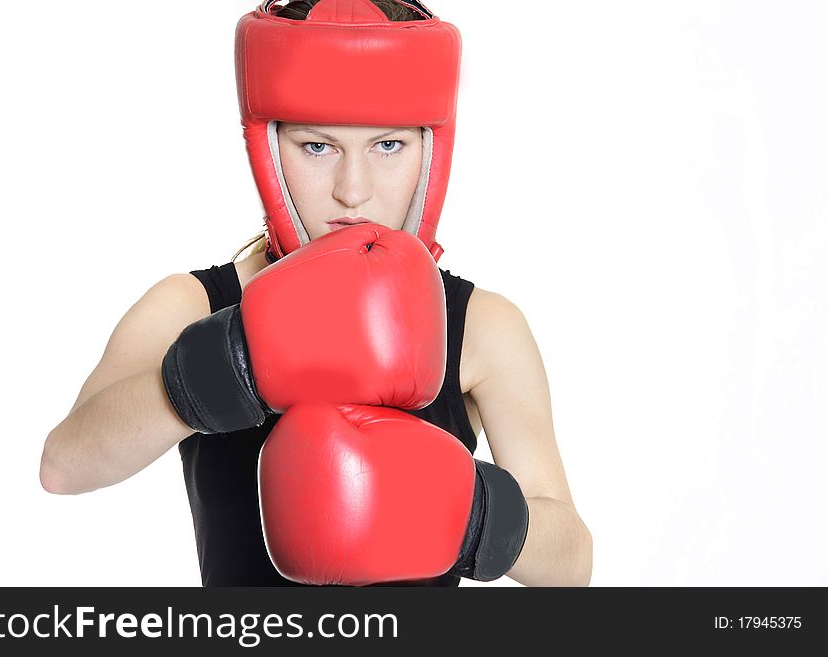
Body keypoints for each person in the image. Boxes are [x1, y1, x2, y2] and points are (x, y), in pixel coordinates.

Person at [40, 0, 593, 588]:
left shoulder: (482, 327)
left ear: (430, 151)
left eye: (388, 146)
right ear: (270, 146)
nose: (352, 192)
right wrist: (232, 364)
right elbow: (64, 466)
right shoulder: (191, 306)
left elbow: (572, 565)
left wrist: (476, 514)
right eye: (317, 147)